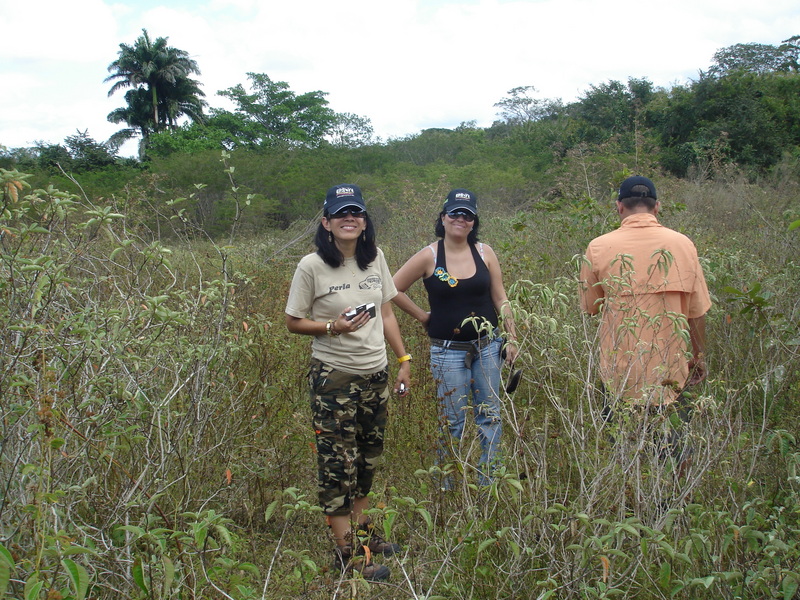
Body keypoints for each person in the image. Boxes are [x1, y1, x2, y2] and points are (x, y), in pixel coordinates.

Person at [285, 184, 411, 581]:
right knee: (338, 464)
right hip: (334, 377)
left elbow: (386, 313)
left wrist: (404, 358)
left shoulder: (376, 259)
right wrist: (331, 327)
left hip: (375, 372)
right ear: (326, 222)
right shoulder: (311, 266)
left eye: (355, 212)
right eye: (341, 213)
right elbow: (293, 322)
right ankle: (350, 553)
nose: (349, 219)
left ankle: (362, 530)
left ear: (364, 221)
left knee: (368, 457)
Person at [579, 175, 712, 472]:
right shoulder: (683, 244)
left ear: (619, 207)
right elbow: (697, 313)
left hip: (618, 373)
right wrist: (698, 357)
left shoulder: (598, 247)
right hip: (674, 372)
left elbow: (590, 307)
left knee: (624, 460)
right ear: (657, 207)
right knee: (673, 455)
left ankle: (630, 509)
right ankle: (670, 512)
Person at [392, 188, 518, 487]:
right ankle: (445, 488)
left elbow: (500, 297)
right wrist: (423, 317)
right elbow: (392, 288)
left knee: (490, 415)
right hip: (447, 351)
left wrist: (512, 337)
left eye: (468, 215)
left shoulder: (485, 253)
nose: (461, 219)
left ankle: (488, 484)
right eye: (455, 213)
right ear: (443, 218)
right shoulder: (429, 256)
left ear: (474, 221)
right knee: (453, 420)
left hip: (488, 347)